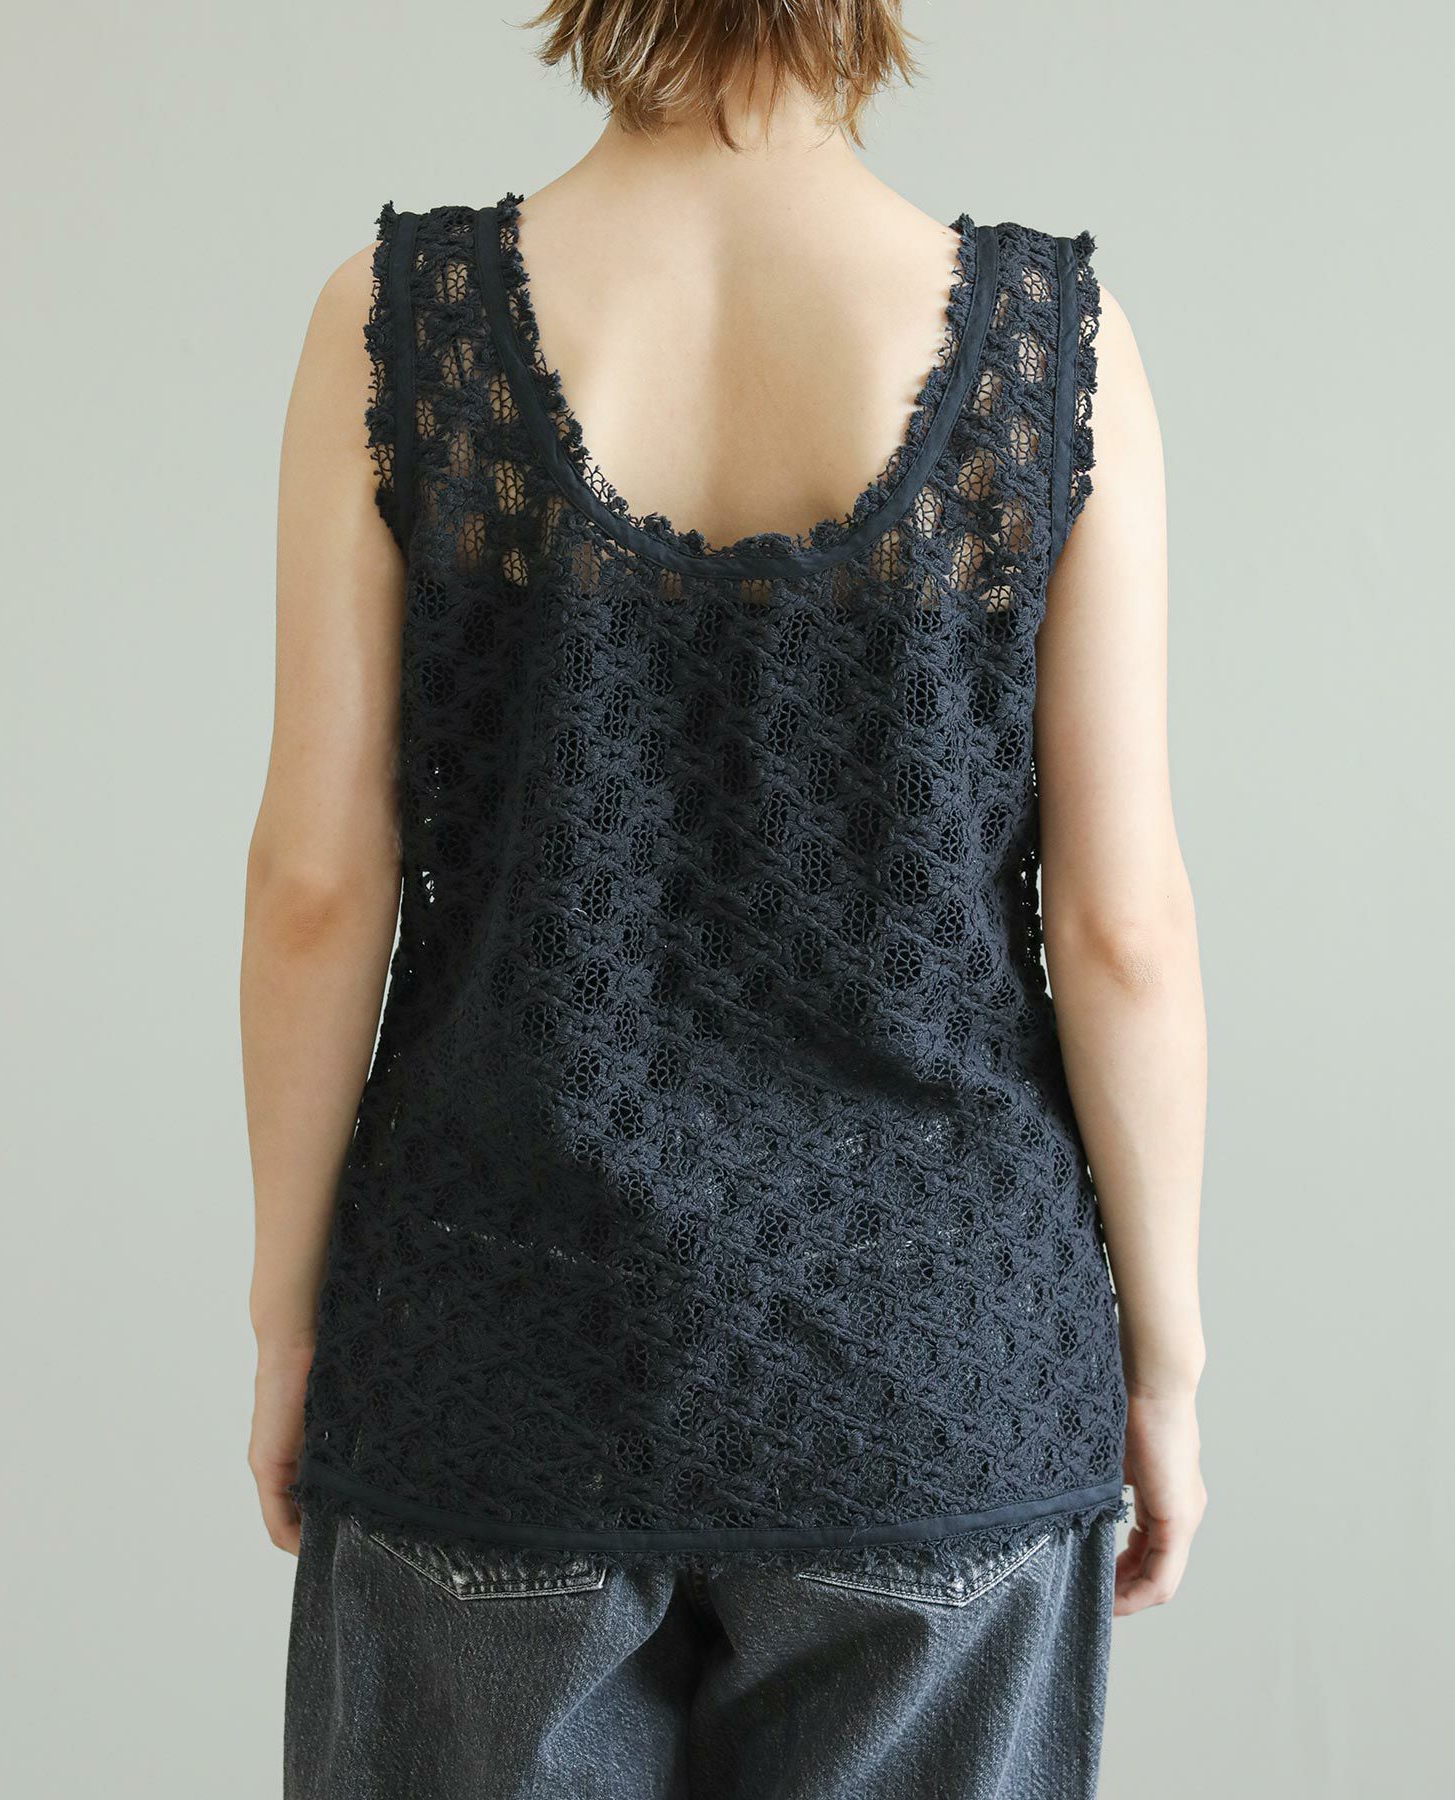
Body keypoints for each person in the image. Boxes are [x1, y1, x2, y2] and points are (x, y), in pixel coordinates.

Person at [241, 3, 1207, 1794]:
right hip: (936, 1380)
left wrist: (289, 1318)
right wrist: (1168, 1364)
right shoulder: (1048, 345)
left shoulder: (401, 324)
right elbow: (1119, 925)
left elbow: (317, 884)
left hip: (493, 1352)